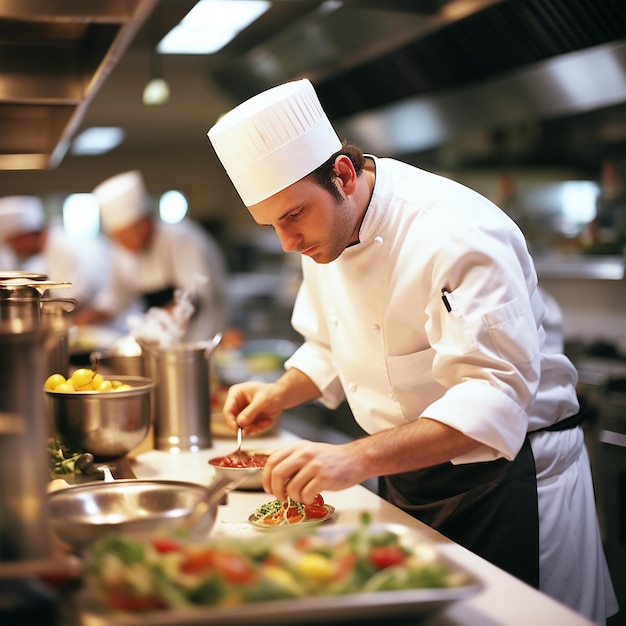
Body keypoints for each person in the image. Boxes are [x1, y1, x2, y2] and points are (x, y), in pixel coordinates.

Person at [207, 79, 618, 624]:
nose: (287, 242)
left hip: (506, 484)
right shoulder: (325, 225)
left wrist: (353, 458)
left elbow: (490, 403)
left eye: (292, 217)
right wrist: (280, 393)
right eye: (272, 224)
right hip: (410, 474)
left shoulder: (454, 233)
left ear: (344, 176)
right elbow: (333, 344)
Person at [74, 170, 228, 342]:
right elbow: (117, 296)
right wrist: (87, 319)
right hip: (161, 343)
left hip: (199, 338)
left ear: (145, 221)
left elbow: (195, 297)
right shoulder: (122, 251)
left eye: (127, 235)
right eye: (117, 238)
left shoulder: (181, 239)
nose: (123, 244)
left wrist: (154, 325)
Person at [0, 194, 109, 309]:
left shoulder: (63, 248)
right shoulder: (44, 255)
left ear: (25, 237)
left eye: (13, 243)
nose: (14, 250)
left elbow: (75, 296)